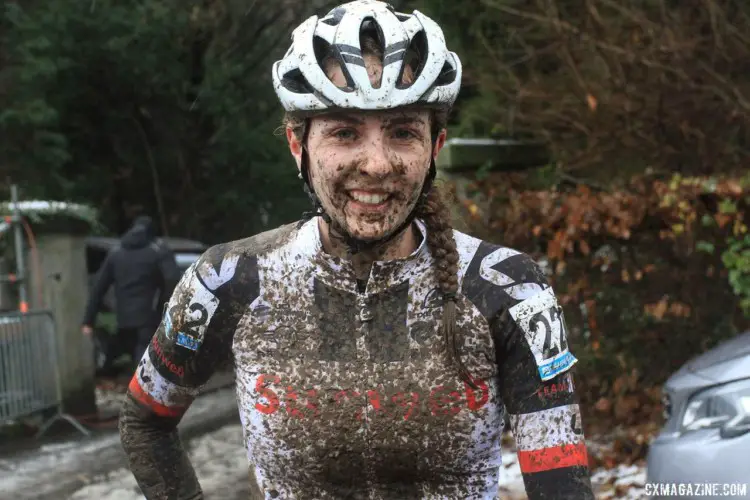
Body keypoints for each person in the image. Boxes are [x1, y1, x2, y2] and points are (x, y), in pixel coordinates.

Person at [119, 2, 595, 498]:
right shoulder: (229, 279)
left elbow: (562, 481)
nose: (376, 164)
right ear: (297, 146)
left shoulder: (508, 289)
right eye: (345, 132)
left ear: (434, 148)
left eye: (403, 132)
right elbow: (144, 420)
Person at [82, 215, 180, 365]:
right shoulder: (158, 251)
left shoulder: (116, 254)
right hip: (149, 316)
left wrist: (88, 321)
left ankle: (110, 364)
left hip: (124, 319)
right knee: (145, 357)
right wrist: (164, 306)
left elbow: (98, 288)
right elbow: (172, 280)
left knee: (134, 353)